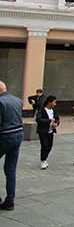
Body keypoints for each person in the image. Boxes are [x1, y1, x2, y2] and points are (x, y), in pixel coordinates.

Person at [0, 81, 23, 210]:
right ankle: (10, 200)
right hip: (18, 134)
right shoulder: (17, 100)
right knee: (10, 169)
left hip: (4, 136)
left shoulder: (0, 102)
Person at [36, 95, 60, 170]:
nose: (55, 104)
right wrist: (49, 120)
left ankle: (45, 158)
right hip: (43, 131)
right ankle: (43, 160)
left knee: (49, 146)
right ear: (49, 102)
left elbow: (57, 119)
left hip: (50, 131)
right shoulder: (42, 110)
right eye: (54, 102)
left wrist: (56, 123)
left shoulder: (53, 110)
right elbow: (38, 119)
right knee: (44, 146)